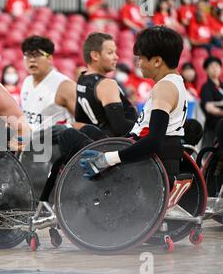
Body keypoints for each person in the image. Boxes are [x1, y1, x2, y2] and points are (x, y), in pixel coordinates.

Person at [79, 26, 188, 184]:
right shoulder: (176, 82)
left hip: (148, 168)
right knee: (88, 130)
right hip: (155, 158)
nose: (138, 63)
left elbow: (154, 141)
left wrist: (107, 159)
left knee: (73, 137)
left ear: (157, 61)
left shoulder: (164, 87)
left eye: (141, 58)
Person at [37, 32, 137, 203]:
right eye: (110, 52)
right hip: (115, 147)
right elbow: (120, 127)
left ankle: (43, 204)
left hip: (95, 141)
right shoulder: (107, 84)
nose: (116, 57)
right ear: (95, 55)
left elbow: (80, 121)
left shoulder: (82, 80)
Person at [19, 35, 77, 145]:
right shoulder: (26, 81)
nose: (31, 59)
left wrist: (65, 129)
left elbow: (84, 123)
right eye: (27, 55)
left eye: (37, 55)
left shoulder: (65, 86)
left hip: (55, 148)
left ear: (49, 58)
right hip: (30, 144)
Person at [199, 56, 223, 148]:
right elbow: (209, 107)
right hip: (214, 126)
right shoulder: (206, 88)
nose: (215, 68)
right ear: (206, 70)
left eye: (217, 66)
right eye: (211, 66)